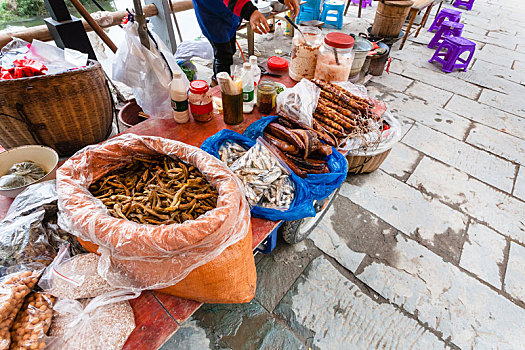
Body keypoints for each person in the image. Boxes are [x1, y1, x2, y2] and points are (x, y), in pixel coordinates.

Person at [192, 0, 300, 77]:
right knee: (223, 55)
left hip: (230, 11)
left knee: (231, 48)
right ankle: (219, 86)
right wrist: (250, 11)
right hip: (211, 12)